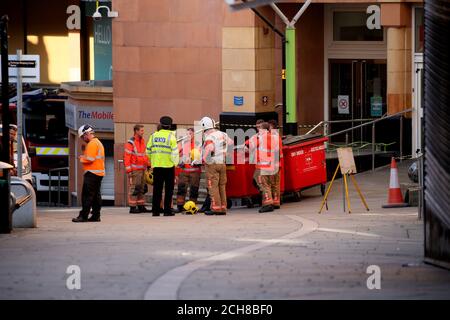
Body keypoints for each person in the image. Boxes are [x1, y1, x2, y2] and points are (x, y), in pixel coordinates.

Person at [146, 116, 179, 217]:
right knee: (169, 190)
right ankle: (167, 211)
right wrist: (175, 164)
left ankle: (155, 211)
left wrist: (153, 161)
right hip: (169, 167)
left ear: (160, 125)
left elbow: (147, 151)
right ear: (169, 126)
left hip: (157, 167)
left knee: (157, 189)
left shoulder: (153, 136)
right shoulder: (171, 137)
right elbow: (175, 153)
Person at [200, 116, 233, 215]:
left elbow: (210, 148)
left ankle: (215, 208)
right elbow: (231, 142)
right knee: (222, 186)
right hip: (222, 163)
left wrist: (203, 159)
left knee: (212, 187)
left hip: (212, 164)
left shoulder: (209, 137)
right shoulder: (223, 134)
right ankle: (223, 207)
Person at [72, 124, 105, 223]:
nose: (83, 139)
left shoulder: (92, 144)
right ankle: (96, 215)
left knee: (87, 196)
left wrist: (81, 158)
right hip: (98, 173)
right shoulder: (97, 142)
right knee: (95, 196)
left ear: (86, 134)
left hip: (92, 173)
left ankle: (83, 216)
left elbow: (90, 159)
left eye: (82, 137)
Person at [247, 121, 280, 213]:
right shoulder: (275, 137)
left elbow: (250, 146)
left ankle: (268, 204)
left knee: (264, 185)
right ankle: (272, 201)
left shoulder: (260, 138)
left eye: (260, 128)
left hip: (263, 165)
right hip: (272, 165)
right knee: (270, 184)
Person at [124, 124, 151, 214]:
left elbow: (144, 155)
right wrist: (129, 171)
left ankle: (141, 206)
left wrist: (148, 165)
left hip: (142, 169)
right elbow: (127, 158)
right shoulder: (130, 143)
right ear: (136, 131)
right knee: (135, 188)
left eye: (143, 130)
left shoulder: (142, 141)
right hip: (135, 170)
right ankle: (132, 207)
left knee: (141, 188)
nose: (143, 132)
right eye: (141, 130)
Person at [174, 128, 202, 213]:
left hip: (195, 171)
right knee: (181, 188)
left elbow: (202, 155)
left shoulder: (198, 144)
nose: (188, 135)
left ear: (194, 134)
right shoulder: (182, 143)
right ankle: (180, 206)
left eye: (190, 133)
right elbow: (177, 154)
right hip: (184, 170)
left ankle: (192, 206)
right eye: (187, 133)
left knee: (194, 189)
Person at [268, 119, 283, 209]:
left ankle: (273, 201)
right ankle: (277, 201)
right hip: (278, 163)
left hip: (273, 163)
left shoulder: (272, 136)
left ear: (272, 126)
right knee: (276, 183)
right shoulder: (277, 136)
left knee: (271, 183)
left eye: (269, 126)